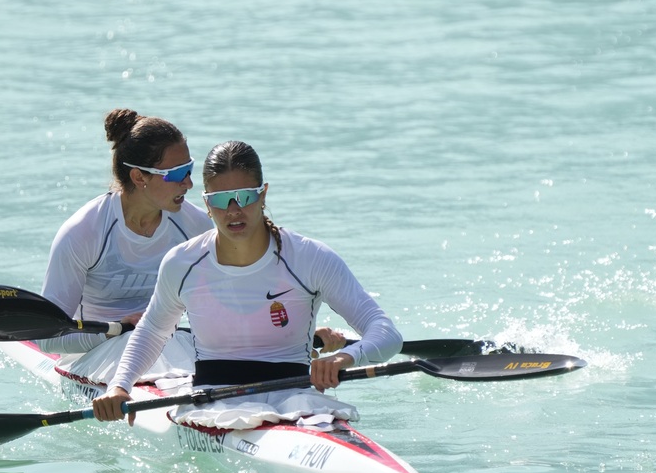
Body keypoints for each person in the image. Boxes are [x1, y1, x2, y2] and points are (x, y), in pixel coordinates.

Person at [92, 140, 402, 429]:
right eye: (220, 200)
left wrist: (347, 356)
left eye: (245, 197)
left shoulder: (309, 258)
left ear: (263, 194)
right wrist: (119, 386)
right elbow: (152, 332)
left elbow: (385, 332)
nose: (233, 211)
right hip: (211, 404)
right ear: (206, 203)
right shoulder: (182, 263)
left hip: (296, 401)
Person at [34, 109, 211, 356]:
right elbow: (47, 338)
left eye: (189, 169)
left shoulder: (197, 228)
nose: (189, 183)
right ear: (139, 177)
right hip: (93, 353)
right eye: (177, 174)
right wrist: (116, 330)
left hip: (166, 347)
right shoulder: (84, 233)